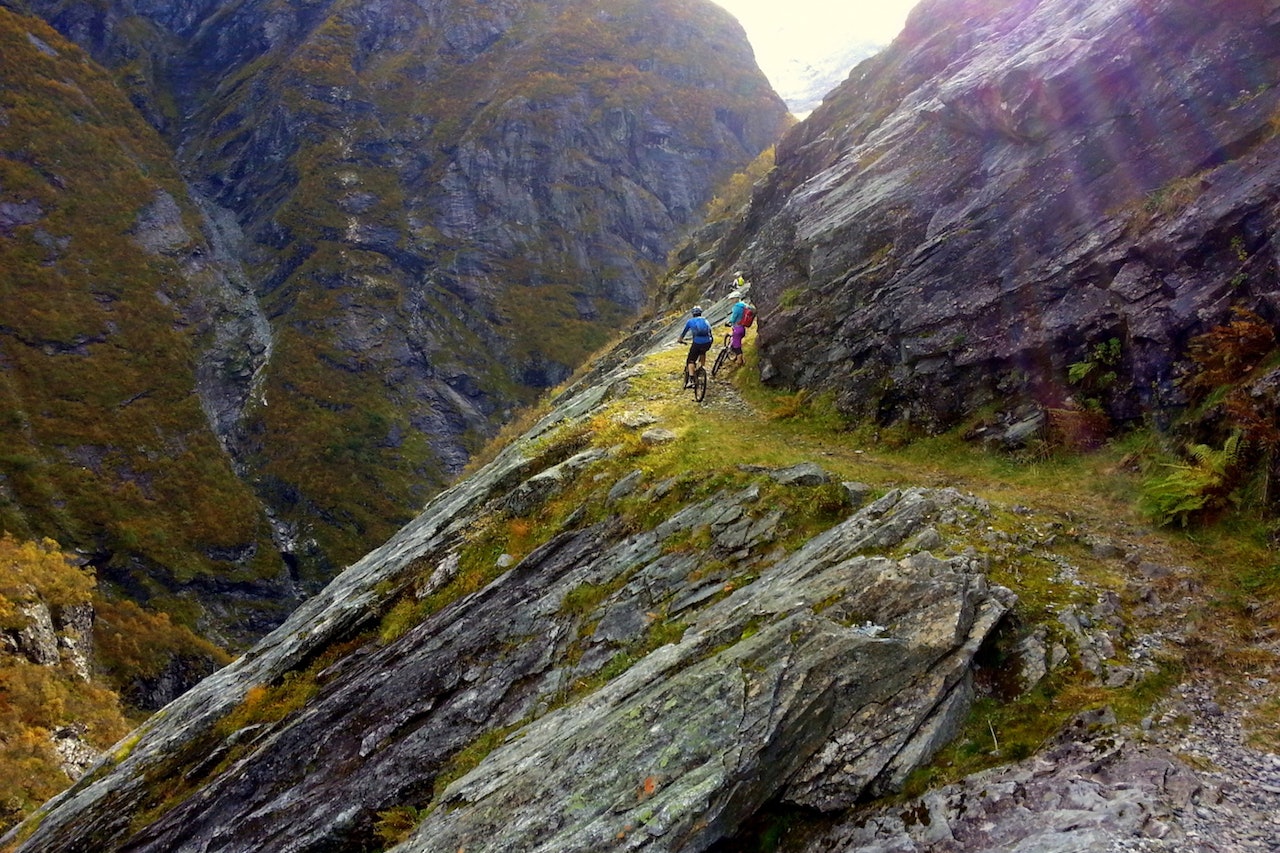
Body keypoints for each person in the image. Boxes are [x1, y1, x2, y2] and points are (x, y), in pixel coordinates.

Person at [677, 305, 714, 387]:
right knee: (702, 352)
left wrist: (680, 340)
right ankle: (702, 368)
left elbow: (684, 333)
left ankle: (691, 380)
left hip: (697, 343)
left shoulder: (690, 322)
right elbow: (710, 332)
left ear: (692, 313)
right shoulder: (705, 320)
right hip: (707, 342)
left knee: (691, 360)